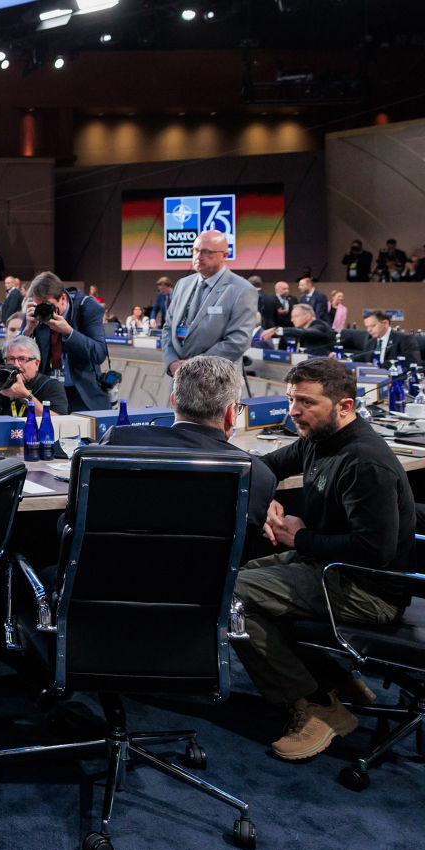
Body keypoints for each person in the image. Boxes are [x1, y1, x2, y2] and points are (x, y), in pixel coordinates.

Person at [233, 358, 414, 760]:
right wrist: (267, 502)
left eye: (306, 402)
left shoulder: (364, 462)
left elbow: (374, 552)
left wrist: (301, 538)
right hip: (332, 570)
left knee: (232, 596)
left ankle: (316, 705)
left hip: (371, 591)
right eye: (292, 399)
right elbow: (265, 466)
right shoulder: (321, 438)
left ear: (345, 406)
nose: (294, 411)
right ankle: (337, 681)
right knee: (233, 577)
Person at [99, 355, 275, 533]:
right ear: (231, 413)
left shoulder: (117, 441)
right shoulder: (258, 475)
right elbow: (243, 550)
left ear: (174, 401)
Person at [161, 230, 257, 380]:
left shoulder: (242, 290)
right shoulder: (182, 284)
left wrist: (194, 366)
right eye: (196, 250)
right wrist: (172, 362)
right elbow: (168, 328)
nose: (199, 257)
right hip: (180, 379)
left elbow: (238, 341)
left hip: (217, 382)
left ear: (225, 255)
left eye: (207, 252)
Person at [23, 271, 109, 412]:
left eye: (48, 305)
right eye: (39, 306)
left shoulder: (88, 308)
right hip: (47, 390)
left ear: (62, 298)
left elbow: (99, 353)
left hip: (81, 392)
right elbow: (16, 350)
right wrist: (27, 330)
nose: (43, 311)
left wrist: (69, 332)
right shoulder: (35, 311)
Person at [0, 334, 68, 419]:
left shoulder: (50, 385)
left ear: (36, 364)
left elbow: (59, 422)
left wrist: (25, 396)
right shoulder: (0, 382)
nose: (16, 365)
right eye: (11, 359)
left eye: (22, 359)